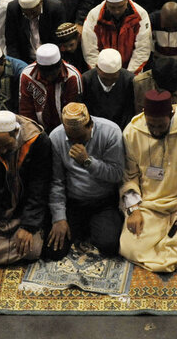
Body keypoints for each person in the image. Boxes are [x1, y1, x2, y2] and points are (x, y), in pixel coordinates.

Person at [120, 89, 177, 272]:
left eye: (161, 126)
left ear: (171, 115)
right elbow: (129, 176)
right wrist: (134, 210)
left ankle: (164, 248)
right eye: (151, 125)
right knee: (129, 247)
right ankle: (166, 247)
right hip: (148, 204)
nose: (155, 130)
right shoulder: (132, 132)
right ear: (144, 115)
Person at [0, 110, 51, 266]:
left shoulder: (37, 141)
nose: (3, 151)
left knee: (33, 251)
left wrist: (28, 226)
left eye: (7, 146)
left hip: (23, 211)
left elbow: (39, 188)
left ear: (17, 132)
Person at [47, 102, 125, 258]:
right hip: (74, 202)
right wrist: (59, 218)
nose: (76, 142)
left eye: (80, 138)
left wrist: (88, 162)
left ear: (90, 126)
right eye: (71, 138)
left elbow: (117, 174)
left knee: (110, 247)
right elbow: (56, 181)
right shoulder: (56, 137)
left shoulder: (111, 132)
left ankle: (89, 229)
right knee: (53, 251)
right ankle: (82, 228)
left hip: (103, 202)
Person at [81, 0, 153, 73]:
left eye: (120, 6)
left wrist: (128, 76)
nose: (117, 11)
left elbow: (142, 49)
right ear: (106, 2)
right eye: (112, 7)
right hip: (103, 72)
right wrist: (102, 74)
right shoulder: (94, 16)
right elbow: (90, 51)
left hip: (132, 71)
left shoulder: (141, 15)